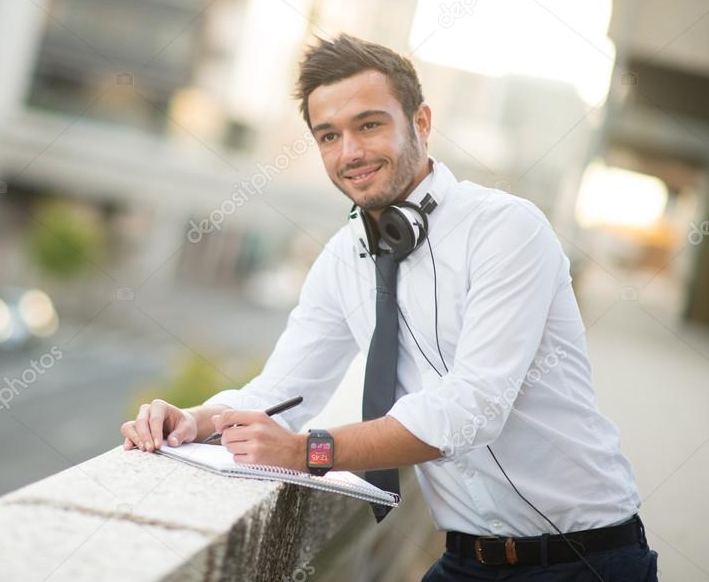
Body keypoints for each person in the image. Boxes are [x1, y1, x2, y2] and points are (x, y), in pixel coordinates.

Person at [120, 34, 657, 581]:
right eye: (329, 135)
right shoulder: (341, 258)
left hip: (588, 560)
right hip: (464, 560)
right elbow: (280, 393)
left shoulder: (507, 229)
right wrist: (195, 419)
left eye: (369, 125)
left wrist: (309, 452)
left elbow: (474, 407)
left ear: (420, 122)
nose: (349, 152)